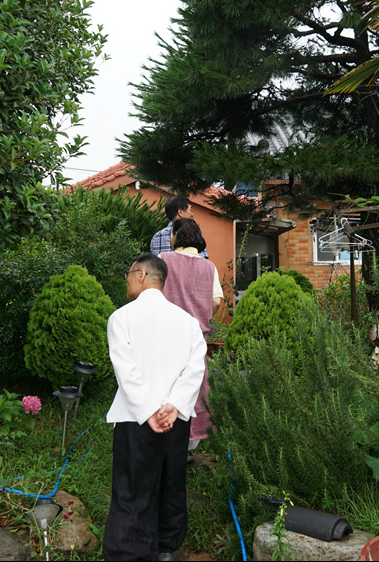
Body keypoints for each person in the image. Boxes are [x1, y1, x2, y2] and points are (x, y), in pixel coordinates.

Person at [103, 253, 207, 562]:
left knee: (133, 487)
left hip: (136, 418)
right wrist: (172, 406)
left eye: (127, 276)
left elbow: (126, 370)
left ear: (140, 275)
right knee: (171, 483)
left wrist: (149, 411)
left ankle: (129, 553)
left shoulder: (121, 318)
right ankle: (165, 547)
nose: (127, 282)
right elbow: (195, 369)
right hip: (176, 421)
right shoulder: (188, 322)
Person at [158, 218, 222, 452]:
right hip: (197, 338)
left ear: (176, 235)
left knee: (165, 387)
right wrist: (203, 312)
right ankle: (189, 445)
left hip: (166, 337)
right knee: (194, 388)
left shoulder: (164, 260)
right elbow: (216, 300)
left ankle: (162, 434)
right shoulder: (209, 267)